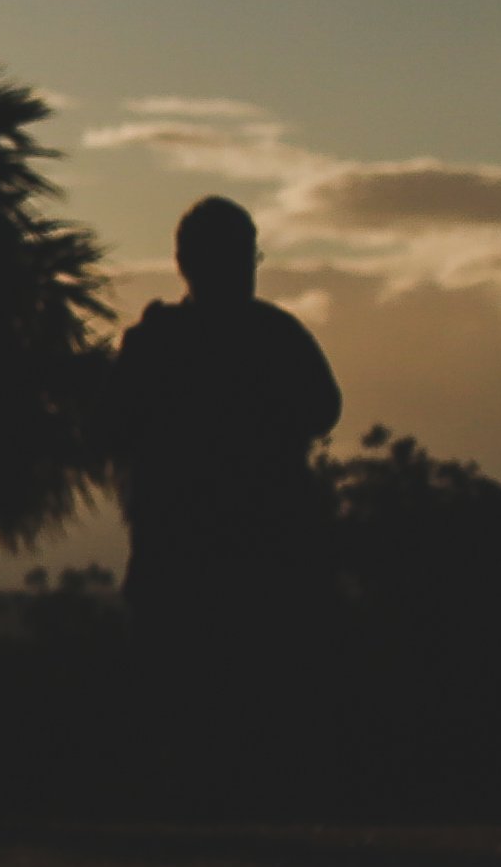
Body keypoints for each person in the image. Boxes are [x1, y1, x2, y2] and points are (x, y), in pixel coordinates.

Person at [105, 195, 342, 720]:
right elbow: (323, 409)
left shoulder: (155, 343)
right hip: (256, 573)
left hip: (191, 571)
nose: (246, 271)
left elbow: (114, 428)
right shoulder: (274, 335)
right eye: (241, 256)